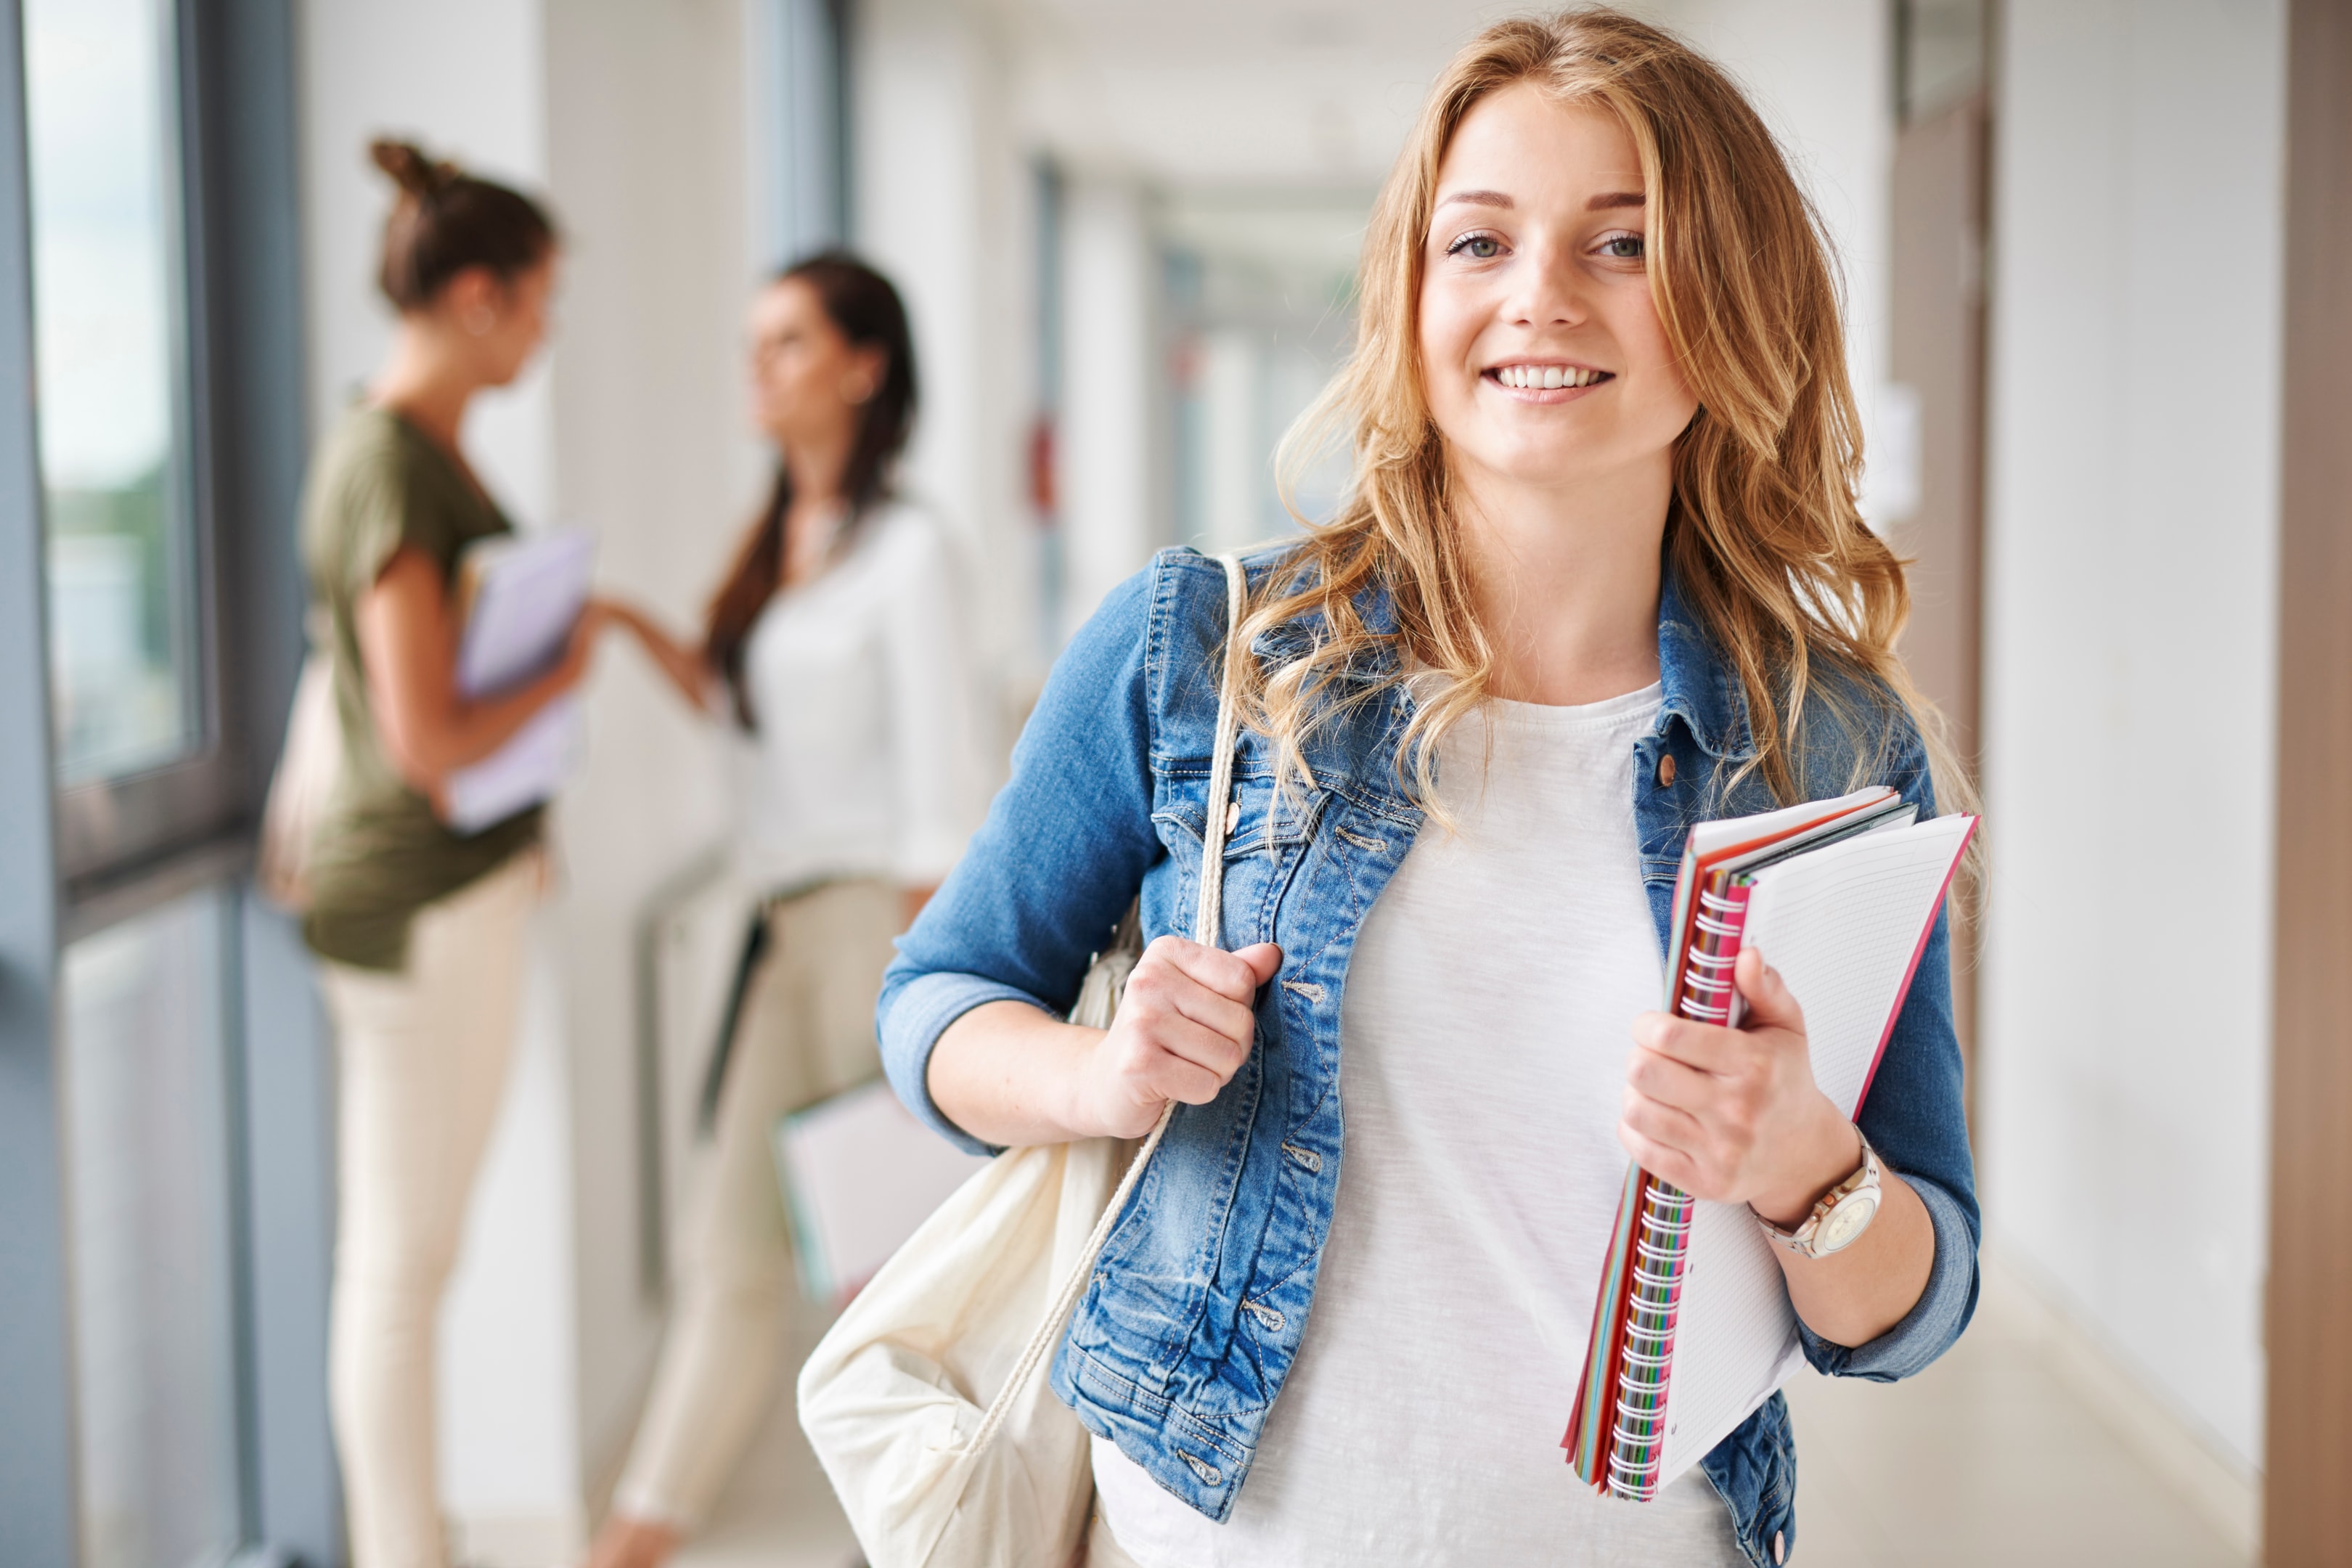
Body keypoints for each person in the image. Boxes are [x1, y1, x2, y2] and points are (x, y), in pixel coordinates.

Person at [878, 11, 1980, 1568]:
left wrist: (1806, 1166)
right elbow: (938, 1001)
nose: (1539, 297)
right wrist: (1099, 1077)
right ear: (1410, 295)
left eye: (1623, 243)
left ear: (1731, 303)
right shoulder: (1208, 651)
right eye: (1480, 242)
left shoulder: (1833, 740)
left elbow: (1915, 1308)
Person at [587, 253, 991, 1568]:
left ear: (863, 368)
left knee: (899, 1276)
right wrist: (623, 627)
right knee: (733, 1250)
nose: (757, 367)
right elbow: (747, 709)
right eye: (754, 342)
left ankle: (964, 1530)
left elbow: (944, 787)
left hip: (877, 931)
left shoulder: (912, 551)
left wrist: (922, 995)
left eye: (788, 343)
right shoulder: (785, 540)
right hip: (779, 932)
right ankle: (634, 1540)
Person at [301, 141, 609, 1568]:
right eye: (539, 304)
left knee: (410, 1262)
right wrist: (568, 660)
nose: (546, 335)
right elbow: (427, 737)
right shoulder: (389, 462)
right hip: (418, 904)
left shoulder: (407, 452)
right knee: (400, 1271)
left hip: (443, 895)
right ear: (478, 297)